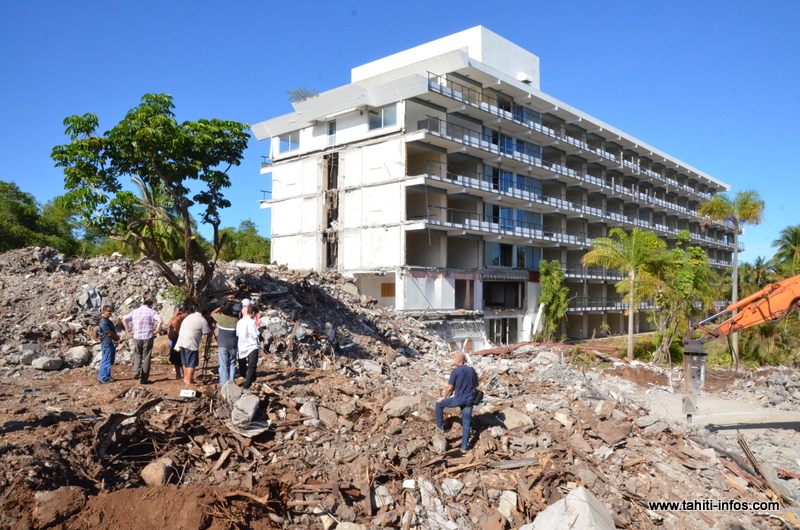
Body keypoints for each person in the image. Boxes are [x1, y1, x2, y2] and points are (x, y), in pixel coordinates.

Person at [436, 352, 479, 453]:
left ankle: (440, 427)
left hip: (458, 399)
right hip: (469, 400)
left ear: (459, 360)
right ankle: (464, 447)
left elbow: (450, 387)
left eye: (455, 359)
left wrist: (444, 397)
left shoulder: (455, 371)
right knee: (466, 423)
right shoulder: (471, 370)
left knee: (439, 404)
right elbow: (476, 384)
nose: (454, 360)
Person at [122, 299, 162, 385]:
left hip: (137, 336)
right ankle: (144, 379)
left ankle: (136, 371)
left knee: (138, 355)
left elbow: (124, 320)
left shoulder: (135, 311)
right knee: (147, 357)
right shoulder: (151, 312)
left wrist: (129, 330)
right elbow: (160, 321)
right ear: (150, 305)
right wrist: (157, 330)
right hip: (148, 336)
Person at [175, 304, 213, 386]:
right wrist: (211, 330)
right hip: (191, 343)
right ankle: (189, 382)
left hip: (181, 341)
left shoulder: (189, 316)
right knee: (191, 363)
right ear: (205, 314)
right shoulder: (202, 320)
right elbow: (208, 333)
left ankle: (186, 378)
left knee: (185, 362)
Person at [211, 301, 238, 386]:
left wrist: (220, 307)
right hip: (233, 345)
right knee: (233, 364)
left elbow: (212, 313)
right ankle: (232, 382)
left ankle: (224, 384)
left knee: (223, 365)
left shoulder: (220, 318)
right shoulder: (236, 320)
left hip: (223, 345)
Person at [236, 303, 261, 391]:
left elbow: (237, 334)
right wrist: (259, 332)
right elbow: (254, 334)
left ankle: (243, 379)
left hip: (241, 345)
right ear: (253, 313)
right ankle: (247, 385)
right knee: (252, 366)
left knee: (242, 365)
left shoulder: (240, 321)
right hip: (251, 346)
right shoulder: (251, 322)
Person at [97, 305, 120, 384]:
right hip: (106, 344)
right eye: (108, 311)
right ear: (104, 311)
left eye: (111, 311)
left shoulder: (108, 321)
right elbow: (109, 333)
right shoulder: (103, 321)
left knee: (110, 361)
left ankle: (107, 376)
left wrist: (115, 341)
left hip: (111, 343)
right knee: (106, 361)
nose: (110, 313)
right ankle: (102, 378)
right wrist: (117, 338)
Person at [166, 304, 186, 379]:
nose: (179, 313)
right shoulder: (174, 319)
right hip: (176, 339)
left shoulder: (180, 318)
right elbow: (168, 328)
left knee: (179, 357)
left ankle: (182, 373)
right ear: (174, 311)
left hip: (178, 339)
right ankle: (178, 374)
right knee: (177, 357)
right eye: (178, 311)